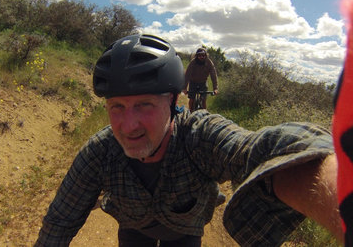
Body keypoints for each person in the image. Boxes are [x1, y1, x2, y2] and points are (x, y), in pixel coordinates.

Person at [35, 33, 342, 247]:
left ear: (170, 99)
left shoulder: (199, 136)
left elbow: (256, 153)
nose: (128, 126)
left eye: (143, 104)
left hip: (185, 232)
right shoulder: (100, 152)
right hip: (133, 228)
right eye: (117, 107)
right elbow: (60, 221)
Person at [333, 0, 353, 247]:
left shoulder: (208, 65)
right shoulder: (195, 64)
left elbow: (213, 76)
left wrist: (215, 88)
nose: (203, 58)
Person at [183, 47, 218, 111]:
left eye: (203, 55)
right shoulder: (193, 62)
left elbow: (213, 75)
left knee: (203, 100)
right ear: (196, 56)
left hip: (203, 82)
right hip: (193, 82)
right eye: (199, 55)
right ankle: (190, 113)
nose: (201, 57)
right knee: (191, 99)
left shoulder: (209, 63)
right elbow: (187, 75)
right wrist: (185, 88)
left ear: (206, 55)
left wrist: (215, 88)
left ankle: (205, 113)